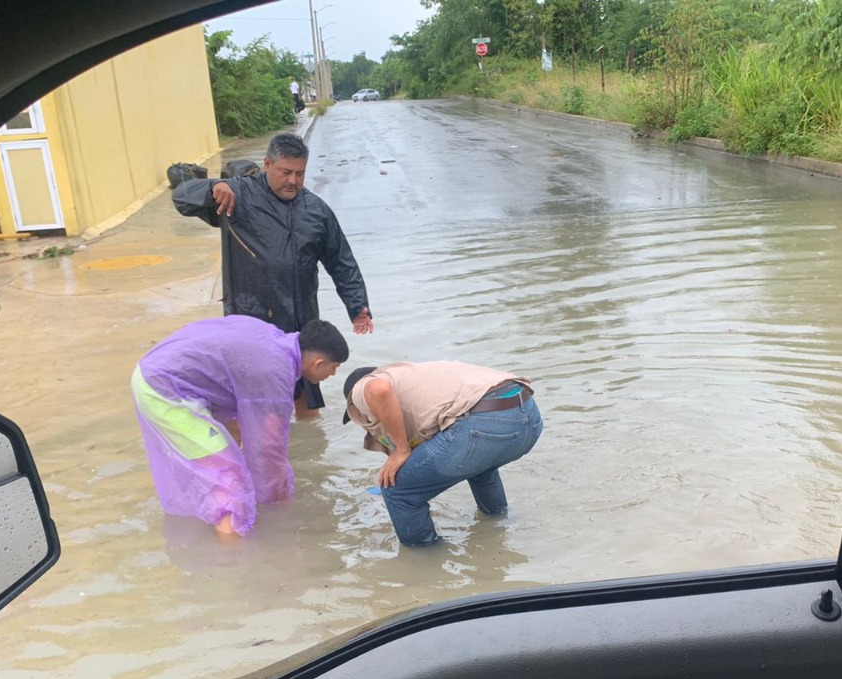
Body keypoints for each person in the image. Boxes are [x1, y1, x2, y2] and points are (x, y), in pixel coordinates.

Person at [172, 133, 372, 421]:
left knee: (306, 396)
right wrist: (213, 187)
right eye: (285, 172)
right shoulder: (237, 196)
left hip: (302, 318)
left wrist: (358, 307)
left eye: (300, 174)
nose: (293, 180)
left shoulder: (316, 210)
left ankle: (310, 456)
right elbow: (182, 197)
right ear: (267, 164)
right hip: (252, 319)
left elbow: (341, 262)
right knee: (257, 404)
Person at [132, 317, 348, 537]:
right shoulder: (275, 373)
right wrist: (281, 508)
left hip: (156, 367)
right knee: (230, 487)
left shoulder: (274, 340)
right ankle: (235, 562)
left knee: (230, 443)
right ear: (318, 363)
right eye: (334, 368)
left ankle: (213, 521)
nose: (333, 375)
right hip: (164, 390)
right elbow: (268, 451)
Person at [342, 362, 543, 546]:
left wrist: (402, 450)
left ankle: (426, 563)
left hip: (482, 422)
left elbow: (379, 390)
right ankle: (499, 523)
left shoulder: (365, 385)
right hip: (528, 414)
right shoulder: (416, 379)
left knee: (399, 491)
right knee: (479, 467)